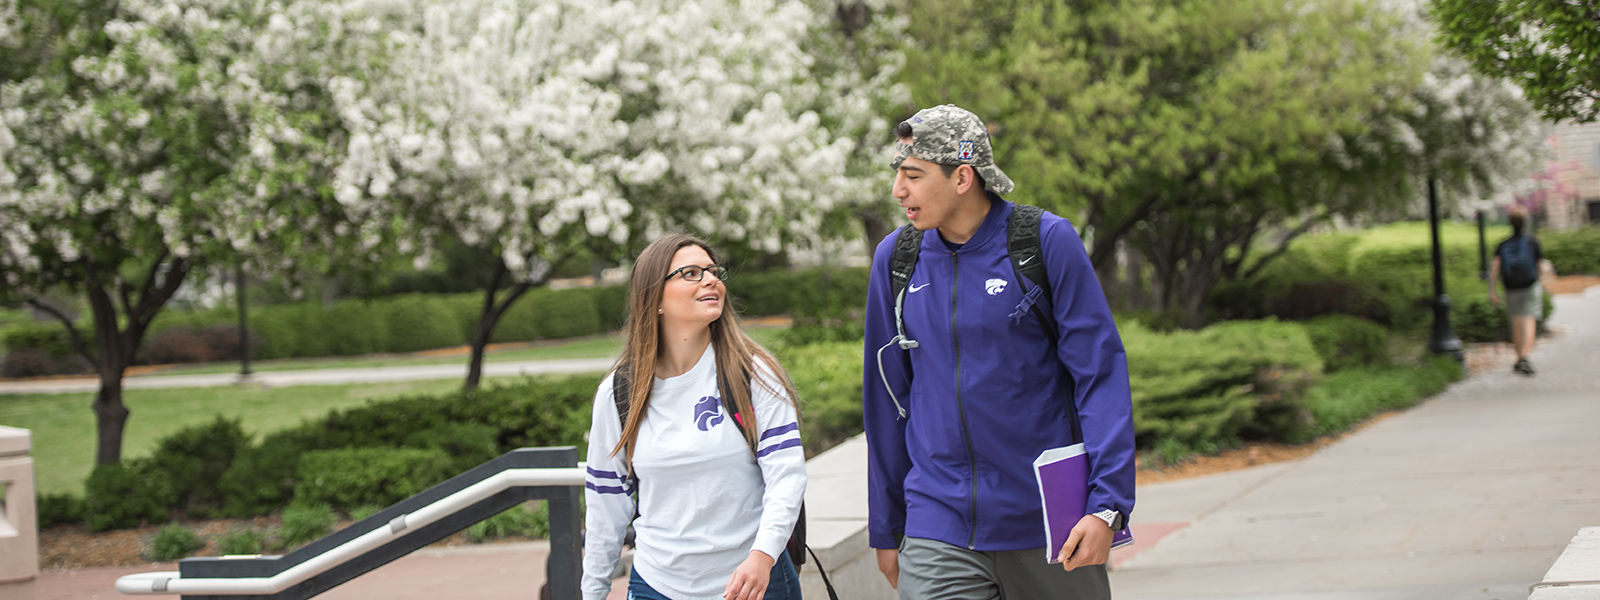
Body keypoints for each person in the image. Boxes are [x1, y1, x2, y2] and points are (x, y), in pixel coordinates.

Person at [861, 104, 1136, 600]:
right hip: (937, 523)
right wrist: (886, 528)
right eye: (898, 175)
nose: (899, 190)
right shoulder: (896, 260)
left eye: (914, 175)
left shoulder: (1044, 242)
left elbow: (1100, 377)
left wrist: (1107, 506)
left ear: (963, 177)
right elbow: (886, 401)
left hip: (1048, 522)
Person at [582, 234, 807, 600]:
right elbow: (606, 502)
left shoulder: (752, 372)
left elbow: (787, 474)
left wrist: (762, 558)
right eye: (690, 273)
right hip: (658, 586)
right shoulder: (619, 392)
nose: (710, 280)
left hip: (751, 582)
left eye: (713, 271)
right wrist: (592, 591)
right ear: (653, 297)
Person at [1488, 206, 1545, 376]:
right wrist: (1540, 282)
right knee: (1529, 322)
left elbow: (1495, 267)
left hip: (1510, 287)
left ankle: (1518, 357)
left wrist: (1491, 289)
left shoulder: (1503, 244)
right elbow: (1540, 265)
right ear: (1525, 222)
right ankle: (1525, 357)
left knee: (1516, 323)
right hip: (1529, 285)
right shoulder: (1532, 242)